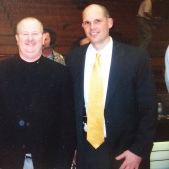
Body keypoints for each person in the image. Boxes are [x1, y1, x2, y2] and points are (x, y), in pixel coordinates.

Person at [66, 4, 157, 169]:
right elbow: (71, 108)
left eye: (98, 21)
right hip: (87, 151)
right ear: (82, 26)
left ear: (110, 22)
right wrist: (72, 146)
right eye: (87, 22)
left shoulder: (136, 58)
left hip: (126, 153)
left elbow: (148, 110)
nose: (92, 27)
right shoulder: (73, 58)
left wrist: (138, 151)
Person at [0, 17, 76, 169]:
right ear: (17, 39)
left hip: (48, 162)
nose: (30, 39)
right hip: (7, 162)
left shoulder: (61, 73)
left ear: (44, 38)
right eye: (24, 34)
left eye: (35, 34)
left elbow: (67, 125)